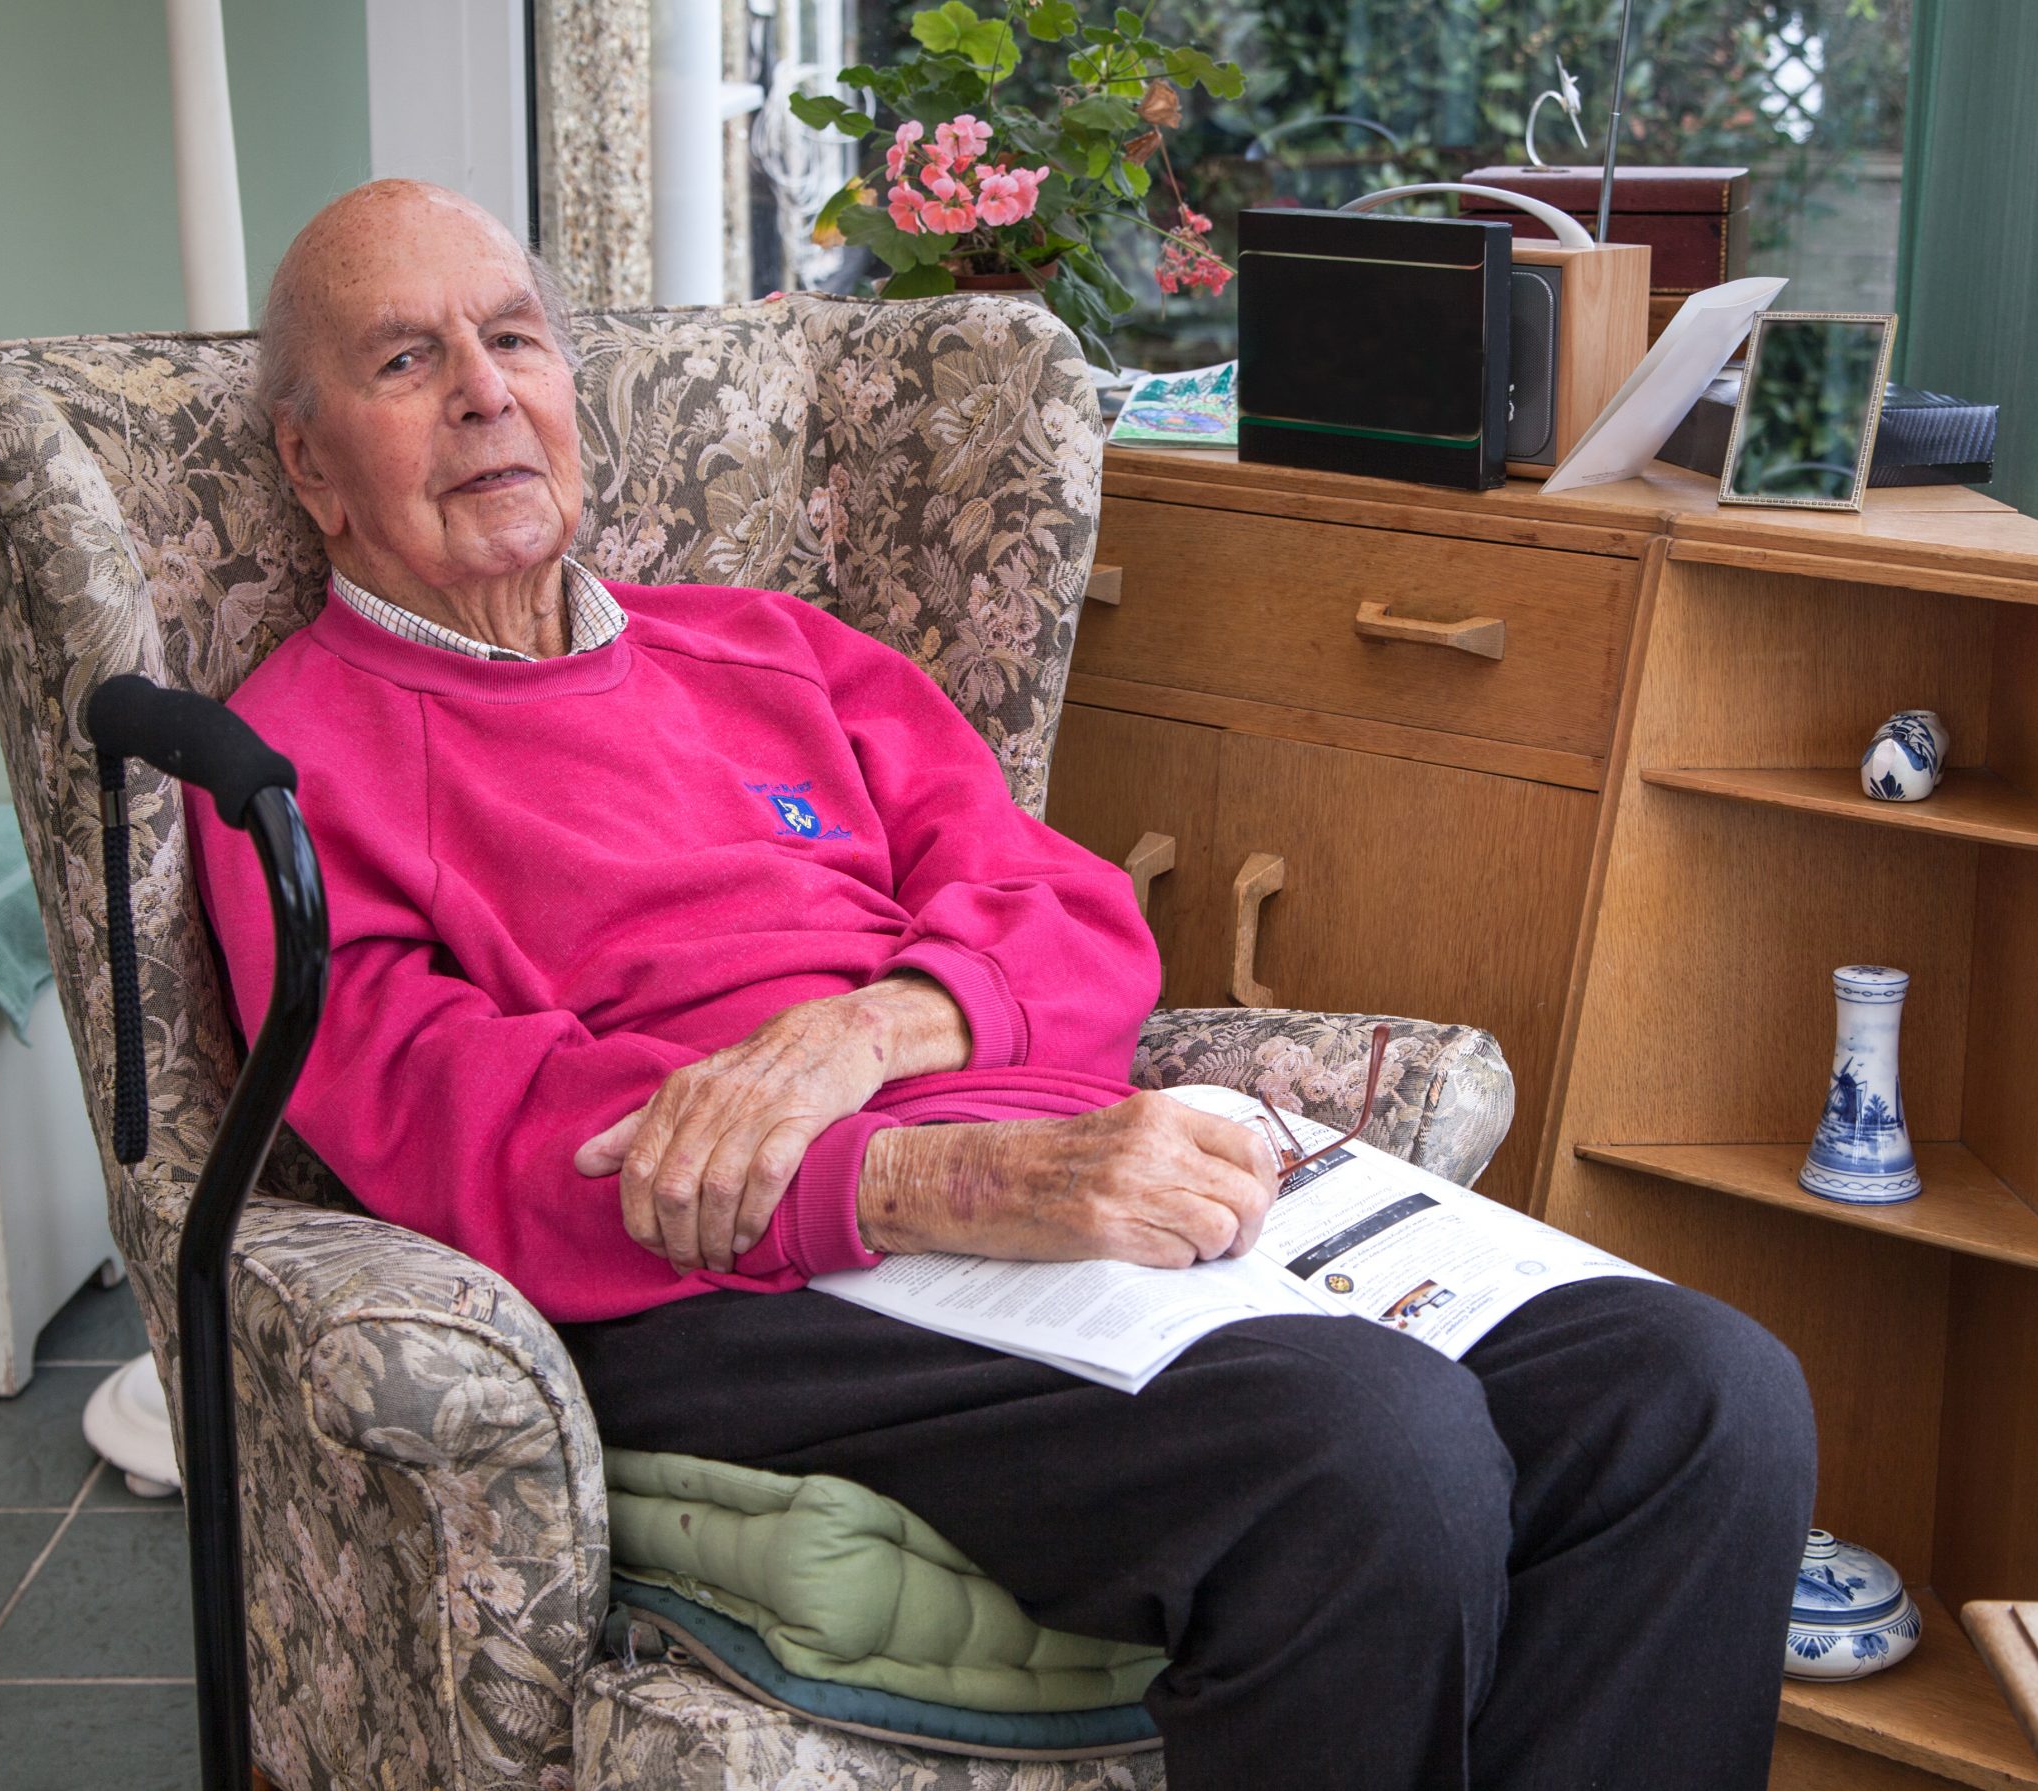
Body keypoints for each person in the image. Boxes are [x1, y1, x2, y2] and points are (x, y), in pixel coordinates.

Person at [190, 179, 1818, 1790]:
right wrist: (936, 1174)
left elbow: (1074, 917)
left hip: (1049, 1189)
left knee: (1703, 1399)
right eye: (407, 362)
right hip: (745, 1293)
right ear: (308, 464)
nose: (486, 391)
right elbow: (470, 1130)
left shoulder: (772, 649)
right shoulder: (285, 763)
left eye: (516, 339)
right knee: (1372, 1452)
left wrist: (867, 1031)